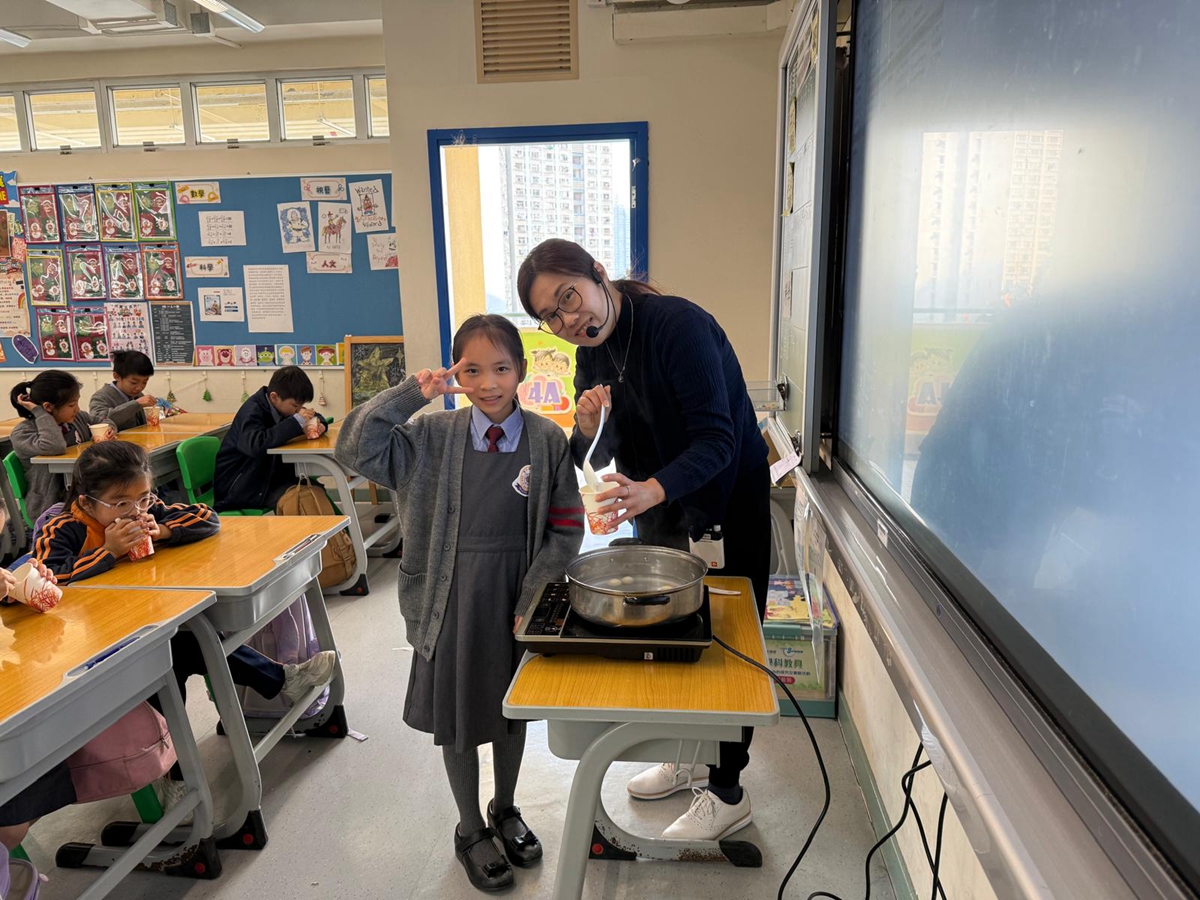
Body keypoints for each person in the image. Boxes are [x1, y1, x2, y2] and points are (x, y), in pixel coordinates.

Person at [518, 238, 771, 842]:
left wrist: (652, 490)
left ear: (597, 273)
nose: (567, 320)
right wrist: (587, 429)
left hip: (724, 506)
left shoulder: (677, 327)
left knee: (726, 648)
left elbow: (718, 442)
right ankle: (689, 755)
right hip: (658, 508)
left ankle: (727, 791)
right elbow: (601, 450)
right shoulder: (592, 352)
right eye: (550, 316)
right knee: (673, 635)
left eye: (568, 298)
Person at [336, 314, 584, 893]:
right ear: (456, 374)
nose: (488, 383)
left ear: (521, 369)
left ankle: (505, 806)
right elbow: (353, 446)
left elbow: (566, 526)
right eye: (472, 370)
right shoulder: (430, 435)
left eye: (501, 368)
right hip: (447, 600)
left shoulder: (547, 440)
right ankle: (470, 827)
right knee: (458, 717)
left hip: (515, 598)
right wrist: (411, 395)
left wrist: (536, 589)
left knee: (511, 712)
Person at [35, 441, 336, 811]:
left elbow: (207, 518)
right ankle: (276, 682)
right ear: (86, 502)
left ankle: (176, 773)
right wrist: (107, 552)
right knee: (176, 654)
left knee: (186, 644)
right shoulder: (62, 527)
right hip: (96, 643)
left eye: (143, 498)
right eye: (121, 503)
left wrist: (163, 531)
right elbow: (52, 579)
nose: (135, 510)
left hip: (146, 622)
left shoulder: (145, 510)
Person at [213, 366, 326, 512]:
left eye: (301, 405)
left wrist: (320, 424)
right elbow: (256, 445)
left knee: (316, 490)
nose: (299, 410)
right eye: (295, 405)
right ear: (274, 397)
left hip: (267, 476)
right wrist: (296, 422)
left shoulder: (283, 406)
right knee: (300, 498)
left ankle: (337, 527)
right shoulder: (252, 411)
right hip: (242, 486)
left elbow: (311, 414)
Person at [9, 371, 115, 525]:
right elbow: (55, 446)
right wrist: (39, 413)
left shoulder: (77, 418)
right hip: (51, 506)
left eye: (77, 402)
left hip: (84, 493)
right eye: (71, 405)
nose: (77, 409)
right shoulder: (23, 433)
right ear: (47, 407)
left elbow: (106, 421)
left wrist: (109, 431)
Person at [89, 349, 158, 430]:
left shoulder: (138, 395)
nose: (139, 387)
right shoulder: (100, 397)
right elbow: (99, 422)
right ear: (117, 376)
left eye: (144, 382)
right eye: (134, 382)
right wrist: (136, 404)